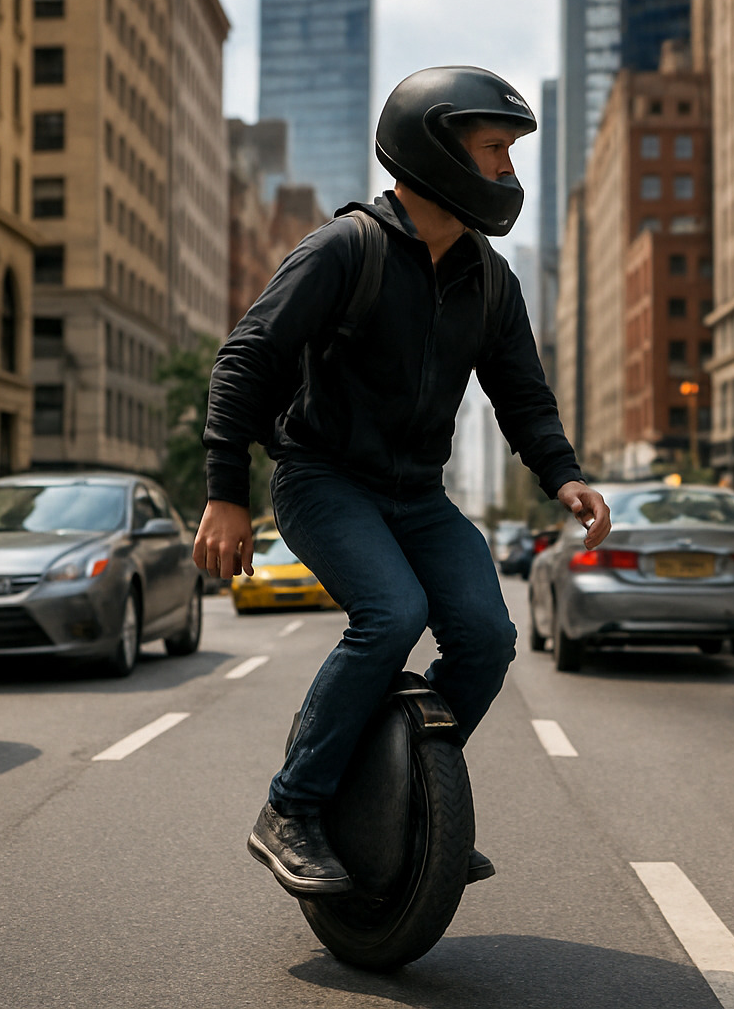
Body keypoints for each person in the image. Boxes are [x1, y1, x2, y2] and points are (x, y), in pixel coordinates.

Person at [194, 66, 611, 897]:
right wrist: (225, 491)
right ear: (435, 149)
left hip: (417, 495)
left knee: (487, 638)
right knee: (392, 614)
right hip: (322, 478)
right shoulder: (344, 248)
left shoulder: (490, 281)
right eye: (494, 148)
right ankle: (291, 807)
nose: (508, 168)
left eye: (510, 151)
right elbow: (246, 359)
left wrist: (563, 476)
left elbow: (523, 396)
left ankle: (411, 786)